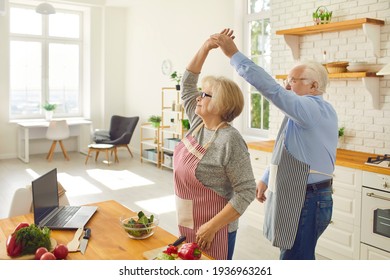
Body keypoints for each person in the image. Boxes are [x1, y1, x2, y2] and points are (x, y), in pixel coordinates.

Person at [212, 29, 338, 260]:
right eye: (286, 80)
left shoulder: (312, 108)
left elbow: (272, 90)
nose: (287, 86)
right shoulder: (302, 114)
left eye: (293, 80)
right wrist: (267, 178)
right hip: (301, 194)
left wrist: (233, 54)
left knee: (294, 259)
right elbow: (287, 149)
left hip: (308, 198)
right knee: (294, 253)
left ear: (314, 86)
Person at [173, 35, 256, 260]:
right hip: (188, 221)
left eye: (205, 94)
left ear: (221, 103)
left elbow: (247, 191)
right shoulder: (197, 123)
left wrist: (211, 227)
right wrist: (206, 47)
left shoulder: (230, 140)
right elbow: (188, 83)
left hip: (216, 229)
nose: (198, 97)